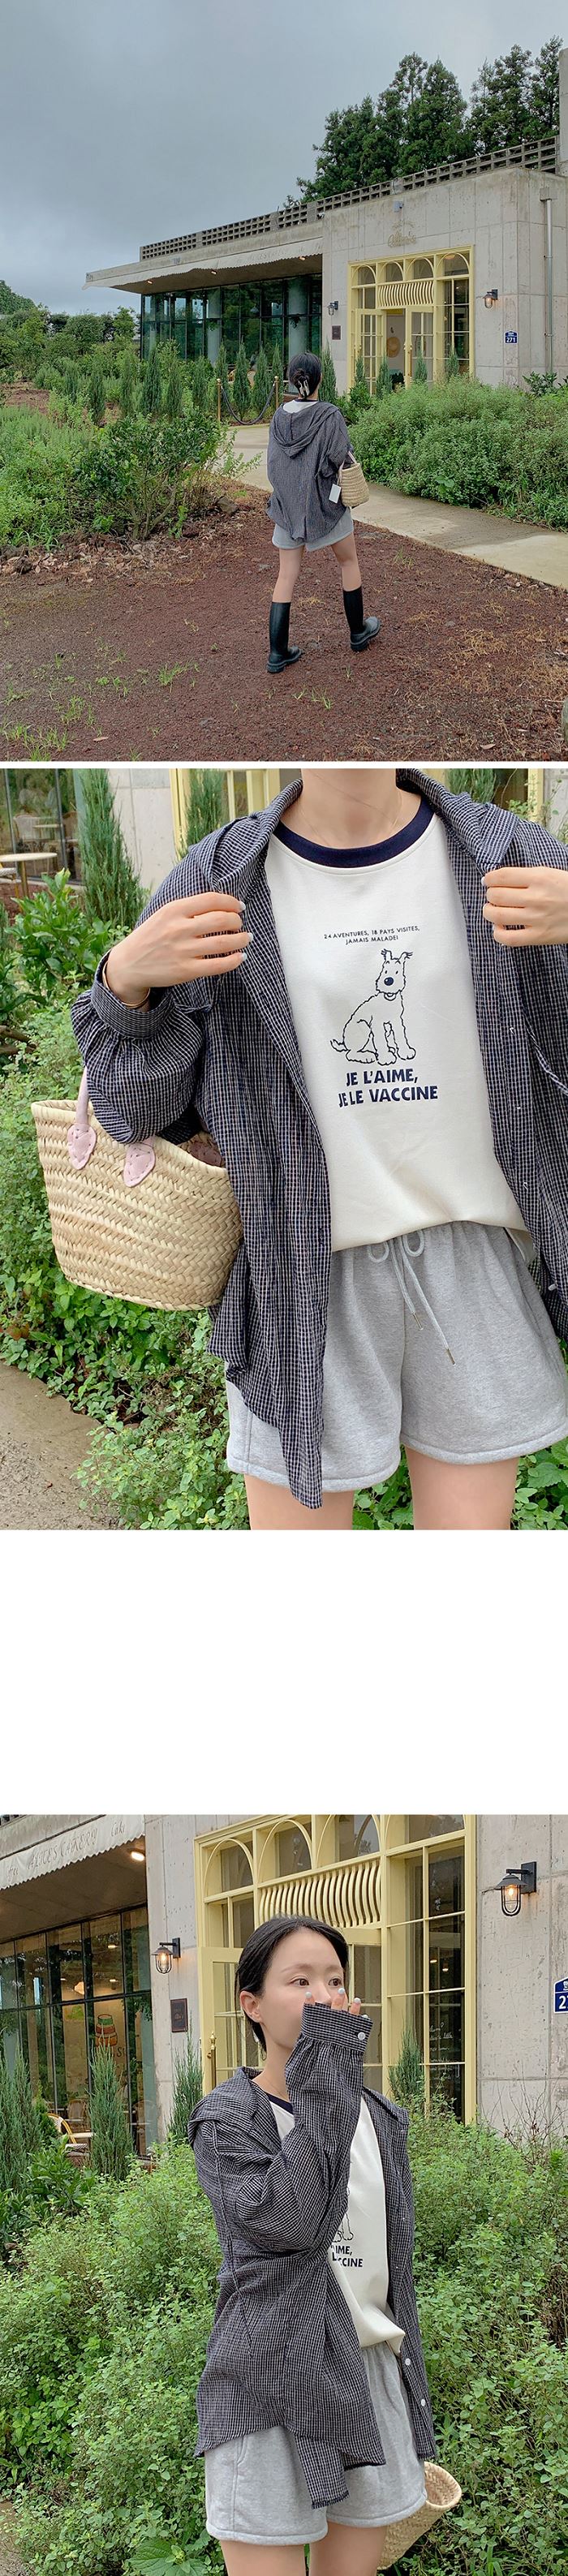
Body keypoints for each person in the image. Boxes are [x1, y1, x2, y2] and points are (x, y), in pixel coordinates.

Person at [70, 763, 568, 1533]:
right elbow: (133, 1113)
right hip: (299, 1276)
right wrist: (124, 982)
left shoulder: (507, 855)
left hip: (474, 1261)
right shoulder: (219, 879)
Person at [187, 1914, 446, 2576]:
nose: (323, 1995)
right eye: (299, 1980)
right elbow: (292, 2224)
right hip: (270, 2379)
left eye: (334, 1980)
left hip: (366, 2371)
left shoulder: (380, 2118)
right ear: (252, 2003)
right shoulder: (228, 2119)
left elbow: (391, 2270)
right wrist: (328, 2079)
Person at [266, 353, 379, 672]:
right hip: (326, 506)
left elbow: (273, 466)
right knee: (348, 561)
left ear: (292, 380)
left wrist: (287, 496)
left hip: (287, 509)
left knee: (286, 575)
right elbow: (341, 457)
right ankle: (358, 633)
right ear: (320, 379)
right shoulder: (330, 415)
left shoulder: (278, 418)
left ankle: (277, 654)